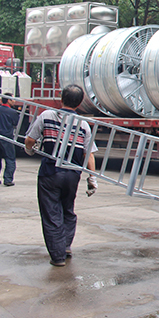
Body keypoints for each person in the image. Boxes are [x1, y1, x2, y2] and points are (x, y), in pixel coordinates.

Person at [24, 84, 98, 267]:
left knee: (51, 214)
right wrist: (92, 178)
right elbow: (88, 154)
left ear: (61, 98)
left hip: (50, 172)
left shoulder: (47, 116)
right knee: (68, 210)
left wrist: (30, 150)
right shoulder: (83, 124)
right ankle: (65, 246)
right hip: (72, 175)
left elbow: (30, 140)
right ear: (79, 103)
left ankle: (58, 256)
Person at [0, 94, 20, 186]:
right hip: (6, 137)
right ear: (8, 100)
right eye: (13, 99)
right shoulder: (12, 112)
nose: (14, 101)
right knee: (10, 158)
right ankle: (8, 179)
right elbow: (16, 123)